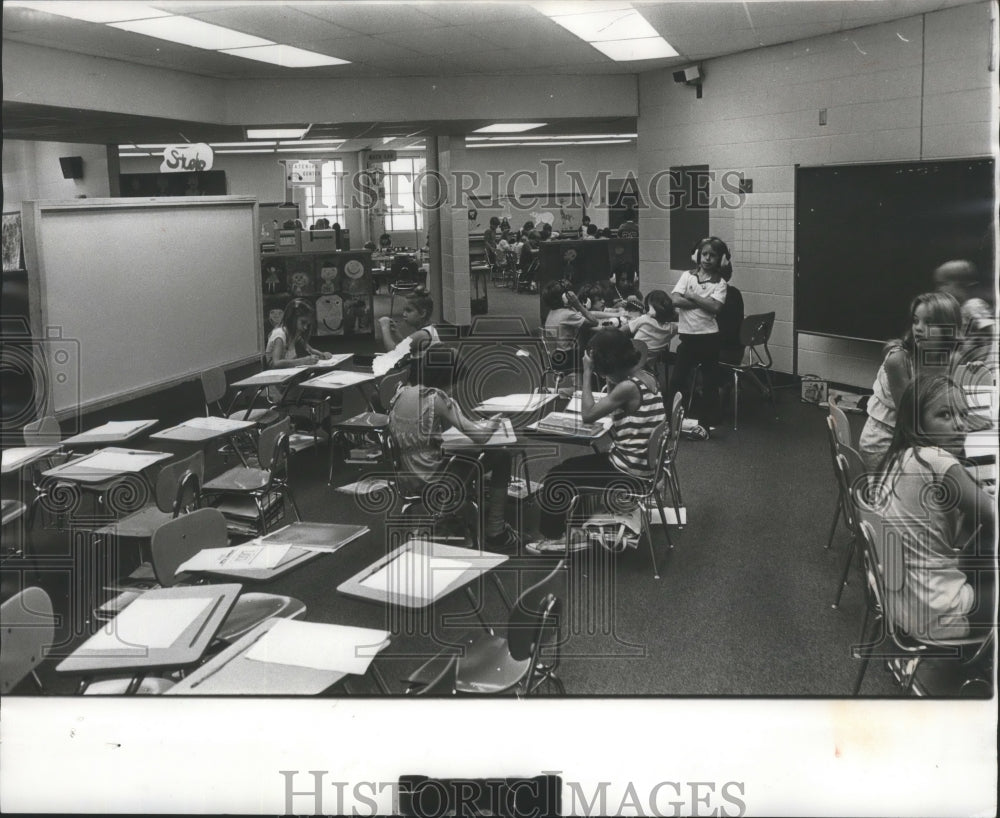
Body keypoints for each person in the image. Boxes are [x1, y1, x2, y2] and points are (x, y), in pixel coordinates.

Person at [873, 376, 995, 643]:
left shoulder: (899, 456)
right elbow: (991, 515)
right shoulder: (936, 460)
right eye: (945, 414)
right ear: (917, 421)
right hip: (937, 615)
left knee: (982, 545)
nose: (960, 425)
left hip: (902, 604)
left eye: (964, 414)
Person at [528, 330, 666, 553]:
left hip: (630, 472)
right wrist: (609, 376)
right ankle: (575, 527)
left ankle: (557, 538)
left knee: (556, 477)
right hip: (644, 465)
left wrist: (587, 371)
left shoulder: (628, 387)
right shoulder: (646, 377)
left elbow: (588, 414)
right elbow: (614, 403)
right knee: (571, 468)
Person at [388, 342, 520, 551]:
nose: (456, 386)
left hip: (408, 476)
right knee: (501, 456)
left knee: (464, 453)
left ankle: (452, 518)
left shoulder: (401, 392)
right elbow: (481, 437)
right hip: (434, 477)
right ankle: (496, 529)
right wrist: (496, 420)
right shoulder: (435, 397)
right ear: (447, 377)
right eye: (456, 380)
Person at [859, 291, 963, 472]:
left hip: (922, 434)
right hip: (887, 439)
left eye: (928, 322)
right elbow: (909, 421)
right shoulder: (898, 359)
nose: (919, 328)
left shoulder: (952, 358)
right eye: (916, 321)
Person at [668, 236, 731, 429]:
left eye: (713, 255)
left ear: (720, 259)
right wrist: (704, 301)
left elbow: (716, 308)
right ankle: (671, 418)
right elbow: (675, 300)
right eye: (704, 254)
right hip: (688, 338)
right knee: (677, 380)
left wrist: (694, 296)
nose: (707, 258)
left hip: (709, 338)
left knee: (709, 384)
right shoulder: (687, 276)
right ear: (697, 255)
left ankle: (707, 423)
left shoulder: (720, 283)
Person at [933, 259, 996, 365]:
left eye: (943, 284)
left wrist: (985, 361)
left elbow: (993, 332)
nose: (938, 289)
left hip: (980, 363)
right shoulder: (961, 309)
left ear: (959, 284)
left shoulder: (973, 305)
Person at [625, 290, 678, 398]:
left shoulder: (644, 319)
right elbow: (679, 318)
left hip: (629, 364)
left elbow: (620, 331)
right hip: (648, 368)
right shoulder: (672, 329)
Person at [542, 280, 599, 376]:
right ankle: (594, 384)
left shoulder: (552, 312)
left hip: (556, 358)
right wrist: (578, 304)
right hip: (567, 359)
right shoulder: (567, 315)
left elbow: (579, 315)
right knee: (596, 357)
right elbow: (595, 322)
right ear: (564, 298)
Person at [266, 298, 332, 369]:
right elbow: (276, 363)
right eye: (303, 322)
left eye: (307, 324)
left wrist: (322, 355)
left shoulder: (294, 334)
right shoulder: (279, 335)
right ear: (292, 319)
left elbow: (310, 350)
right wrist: (303, 361)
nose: (305, 327)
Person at [376, 289, 440, 354]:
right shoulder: (430, 329)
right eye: (404, 311)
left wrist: (385, 327)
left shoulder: (422, 334)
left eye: (409, 311)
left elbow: (394, 353)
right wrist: (397, 333)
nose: (404, 314)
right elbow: (408, 347)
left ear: (423, 313)